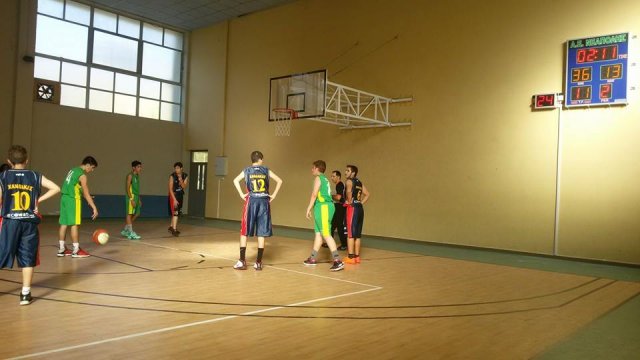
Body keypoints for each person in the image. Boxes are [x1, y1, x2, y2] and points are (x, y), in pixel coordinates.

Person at [0, 145, 60, 305]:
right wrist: (38, 200)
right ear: (26, 160)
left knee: (1, 254)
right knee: (27, 257)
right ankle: (25, 294)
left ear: (9, 161)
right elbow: (56, 188)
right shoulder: (34, 176)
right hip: (29, 222)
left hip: (10, 221)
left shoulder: (4, 176)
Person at [232, 151, 282, 271]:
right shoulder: (266, 170)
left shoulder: (247, 170)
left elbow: (235, 180)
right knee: (261, 232)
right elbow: (280, 181)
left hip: (251, 201)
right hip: (264, 201)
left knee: (244, 231)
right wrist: (273, 195)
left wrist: (241, 194)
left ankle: (242, 261)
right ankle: (258, 262)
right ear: (260, 159)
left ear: (252, 159)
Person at [303, 160, 345, 271]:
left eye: (313, 168)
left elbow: (314, 194)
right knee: (318, 234)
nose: (311, 170)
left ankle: (337, 261)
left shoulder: (319, 178)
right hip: (321, 207)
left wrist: (308, 208)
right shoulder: (325, 179)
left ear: (317, 168)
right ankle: (312, 259)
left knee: (326, 234)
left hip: (323, 207)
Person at [57, 156, 99, 258]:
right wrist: (94, 207)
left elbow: (73, 185)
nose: (92, 170)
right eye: (92, 167)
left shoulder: (73, 170)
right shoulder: (82, 175)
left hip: (64, 198)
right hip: (73, 200)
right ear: (87, 165)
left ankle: (61, 249)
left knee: (64, 223)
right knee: (74, 224)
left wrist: (84, 194)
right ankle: (76, 250)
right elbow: (86, 193)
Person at [343, 164, 369, 265]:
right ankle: (357, 257)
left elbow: (349, 192)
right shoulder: (359, 182)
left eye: (348, 170)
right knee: (357, 235)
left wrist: (349, 202)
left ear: (353, 173)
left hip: (352, 209)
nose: (346, 172)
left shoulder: (349, 181)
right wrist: (360, 203)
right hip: (360, 209)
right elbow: (367, 194)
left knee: (350, 234)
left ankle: (350, 257)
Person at [121, 160, 142, 240]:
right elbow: (127, 188)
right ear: (133, 168)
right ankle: (130, 232)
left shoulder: (137, 176)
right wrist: (131, 199)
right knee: (129, 214)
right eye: (138, 167)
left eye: (140, 167)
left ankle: (126, 229)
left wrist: (139, 198)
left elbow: (136, 188)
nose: (140, 168)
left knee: (137, 213)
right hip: (131, 196)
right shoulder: (130, 176)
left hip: (136, 196)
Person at [168, 162, 188, 236]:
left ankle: (171, 226)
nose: (176, 170)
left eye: (177, 168)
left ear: (181, 168)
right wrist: (174, 199)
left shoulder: (185, 175)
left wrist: (181, 181)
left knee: (177, 212)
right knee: (175, 212)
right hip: (174, 195)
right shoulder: (172, 176)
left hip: (180, 195)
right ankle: (174, 229)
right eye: (175, 168)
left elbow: (184, 187)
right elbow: (170, 189)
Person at [330, 170, 348, 250]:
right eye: (331, 176)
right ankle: (329, 242)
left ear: (338, 177)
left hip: (340, 208)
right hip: (339, 207)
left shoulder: (339, 185)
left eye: (333, 176)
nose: (332, 178)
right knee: (332, 225)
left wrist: (330, 196)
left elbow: (338, 197)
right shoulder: (340, 185)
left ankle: (344, 245)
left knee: (340, 226)